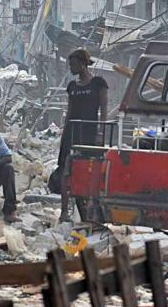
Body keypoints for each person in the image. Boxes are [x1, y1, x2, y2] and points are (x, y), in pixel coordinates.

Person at [59, 49, 108, 223]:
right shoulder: (72, 86)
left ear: (82, 63)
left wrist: (100, 133)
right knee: (66, 171)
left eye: (72, 64)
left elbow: (104, 111)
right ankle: (64, 211)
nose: (71, 68)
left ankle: (92, 212)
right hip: (72, 134)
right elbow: (69, 112)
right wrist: (64, 136)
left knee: (89, 172)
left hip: (90, 134)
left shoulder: (98, 83)